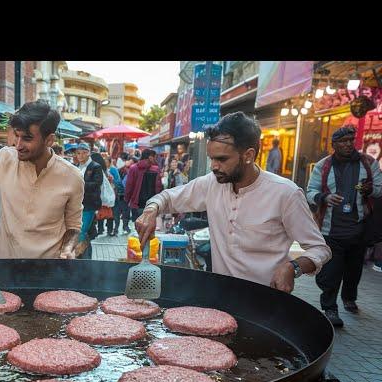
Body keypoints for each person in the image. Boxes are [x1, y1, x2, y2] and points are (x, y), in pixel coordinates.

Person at [136, 111, 331, 295]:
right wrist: (151, 211)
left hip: (267, 301)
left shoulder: (286, 193)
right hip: (221, 296)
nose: (213, 166)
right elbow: (168, 198)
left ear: (248, 155)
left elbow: (320, 249)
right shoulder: (212, 183)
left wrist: (293, 267)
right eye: (211, 158)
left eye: (221, 159)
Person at [0, 100, 84, 259]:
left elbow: (73, 227)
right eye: (17, 136)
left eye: (27, 138)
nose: (18, 145)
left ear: (49, 140)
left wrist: (68, 249)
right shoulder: (4, 159)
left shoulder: (72, 176)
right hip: (5, 270)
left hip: (49, 273)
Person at [307, 125, 382, 326]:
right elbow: (309, 192)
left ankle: (349, 297)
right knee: (331, 272)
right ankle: (330, 309)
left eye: (351, 140)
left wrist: (369, 190)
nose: (348, 144)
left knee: (354, 270)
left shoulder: (369, 163)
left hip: (359, 229)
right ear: (334, 145)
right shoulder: (323, 166)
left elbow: (379, 189)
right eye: (343, 141)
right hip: (330, 230)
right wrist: (325, 197)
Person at [74, 144, 103, 258]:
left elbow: (97, 184)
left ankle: (77, 256)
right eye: (78, 153)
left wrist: (79, 184)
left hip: (89, 204)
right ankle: (85, 257)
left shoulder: (95, 166)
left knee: (82, 231)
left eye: (83, 152)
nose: (80, 155)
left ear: (88, 153)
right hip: (76, 204)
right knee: (80, 232)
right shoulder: (75, 166)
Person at [124, 149, 162, 221]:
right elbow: (158, 187)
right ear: (150, 157)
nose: (155, 159)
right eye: (154, 157)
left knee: (138, 225)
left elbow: (129, 186)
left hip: (137, 203)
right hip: (152, 203)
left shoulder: (133, 168)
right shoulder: (156, 169)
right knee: (149, 226)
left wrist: (127, 199)